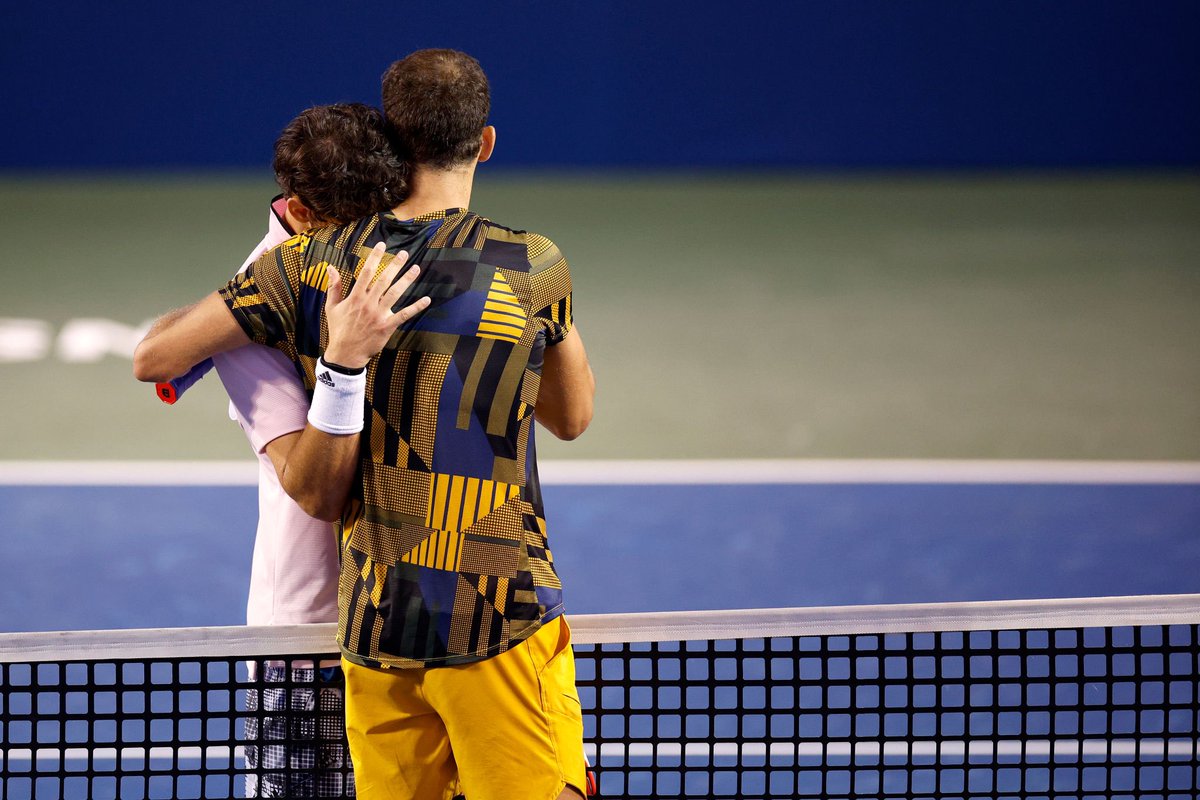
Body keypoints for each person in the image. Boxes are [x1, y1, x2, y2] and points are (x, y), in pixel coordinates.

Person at [133, 49, 595, 800]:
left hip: (375, 629)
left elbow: (156, 355)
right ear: (484, 143)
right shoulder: (531, 263)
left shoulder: (303, 267)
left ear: (394, 139)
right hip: (497, 620)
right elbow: (572, 418)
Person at [159, 102, 408, 798]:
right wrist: (344, 361)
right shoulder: (250, 312)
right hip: (309, 640)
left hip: (406, 616)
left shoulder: (406, 255)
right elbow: (315, 490)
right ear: (298, 213)